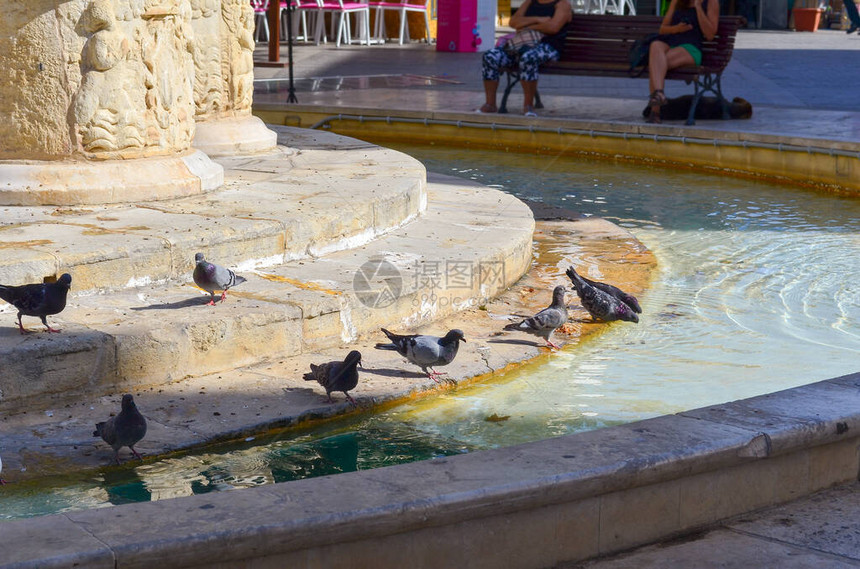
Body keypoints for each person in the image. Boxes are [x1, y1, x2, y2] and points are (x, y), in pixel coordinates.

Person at [479, 0, 572, 117]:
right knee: (490, 56)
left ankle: (528, 105)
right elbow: (513, 22)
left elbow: (553, 27)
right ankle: (490, 104)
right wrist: (538, 20)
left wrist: (525, 25)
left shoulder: (562, 4)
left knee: (529, 57)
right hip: (521, 46)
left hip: (548, 46)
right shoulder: (529, 2)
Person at [646, 0, 719, 123]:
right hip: (671, 44)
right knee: (655, 45)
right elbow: (662, 29)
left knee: (656, 63)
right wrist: (677, 29)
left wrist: (698, 7)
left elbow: (710, 34)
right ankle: (659, 94)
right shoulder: (676, 1)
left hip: (691, 49)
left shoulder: (711, 2)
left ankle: (655, 112)